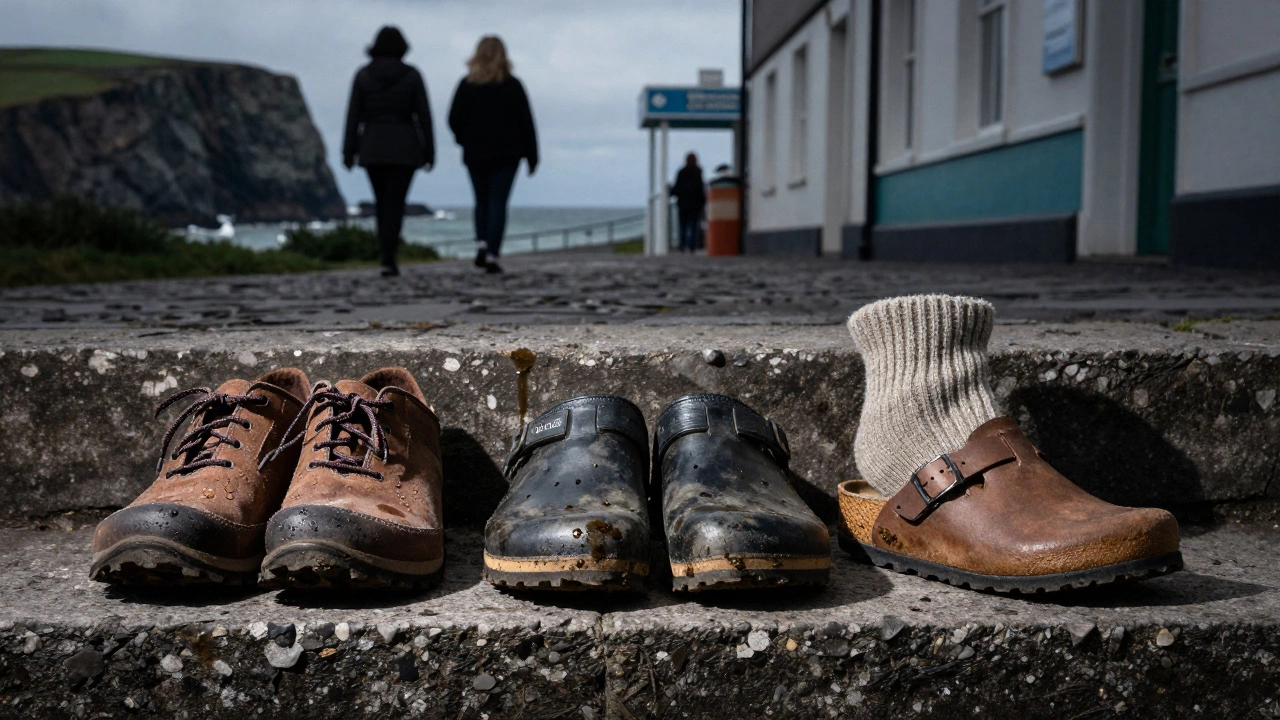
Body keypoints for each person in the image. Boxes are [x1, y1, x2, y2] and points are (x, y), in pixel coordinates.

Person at [343, 26, 435, 277]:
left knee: (381, 203)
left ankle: (385, 255)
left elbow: (353, 116)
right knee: (396, 203)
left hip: (372, 146)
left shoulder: (363, 76)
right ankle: (390, 256)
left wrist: (348, 151)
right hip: (405, 148)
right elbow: (424, 115)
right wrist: (430, 151)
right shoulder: (412, 75)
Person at [448, 36, 538, 274]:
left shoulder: (466, 85)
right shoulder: (513, 85)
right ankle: (492, 254)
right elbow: (526, 122)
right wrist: (532, 156)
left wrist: (463, 139)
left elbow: (453, 118)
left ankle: (481, 242)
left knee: (481, 200)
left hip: (476, 151)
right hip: (508, 153)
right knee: (498, 202)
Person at [672, 153, 706, 253]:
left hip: (683, 203)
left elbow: (677, 187)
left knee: (682, 225)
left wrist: (672, 192)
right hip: (695, 204)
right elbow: (700, 187)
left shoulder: (681, 172)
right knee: (693, 226)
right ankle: (692, 247)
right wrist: (703, 201)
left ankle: (682, 246)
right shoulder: (698, 172)